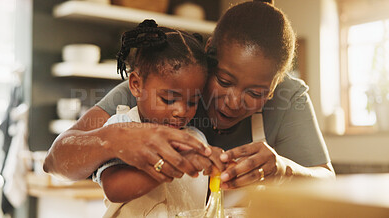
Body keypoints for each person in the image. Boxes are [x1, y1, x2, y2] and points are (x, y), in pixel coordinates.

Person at [44, 0, 334, 196]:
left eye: (255, 93)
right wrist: (116, 139)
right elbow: (55, 161)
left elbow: (326, 182)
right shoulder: (160, 86)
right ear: (210, 53)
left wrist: (283, 169)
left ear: (274, 87)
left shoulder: (289, 96)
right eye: (224, 80)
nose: (234, 102)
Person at [90, 19, 223, 217]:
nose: (181, 112)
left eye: (193, 102)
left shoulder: (195, 140)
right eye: (169, 99)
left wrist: (218, 167)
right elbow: (114, 188)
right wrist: (175, 164)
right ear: (136, 84)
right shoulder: (121, 128)